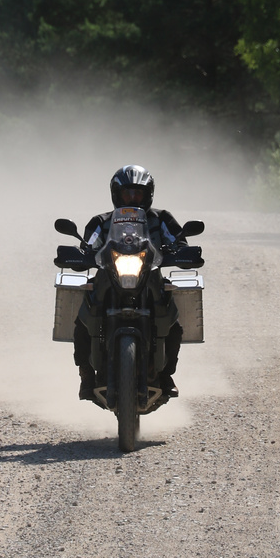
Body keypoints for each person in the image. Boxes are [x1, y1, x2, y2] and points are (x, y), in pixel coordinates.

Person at [74, 164, 186, 402]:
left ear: (148, 195)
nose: (133, 198)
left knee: (173, 319)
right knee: (83, 314)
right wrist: (81, 254)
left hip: (150, 274)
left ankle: (166, 374)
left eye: (138, 193)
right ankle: (86, 374)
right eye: (127, 193)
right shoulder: (101, 221)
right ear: (116, 194)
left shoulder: (161, 218)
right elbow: (89, 244)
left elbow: (179, 240)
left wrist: (182, 250)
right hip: (109, 273)